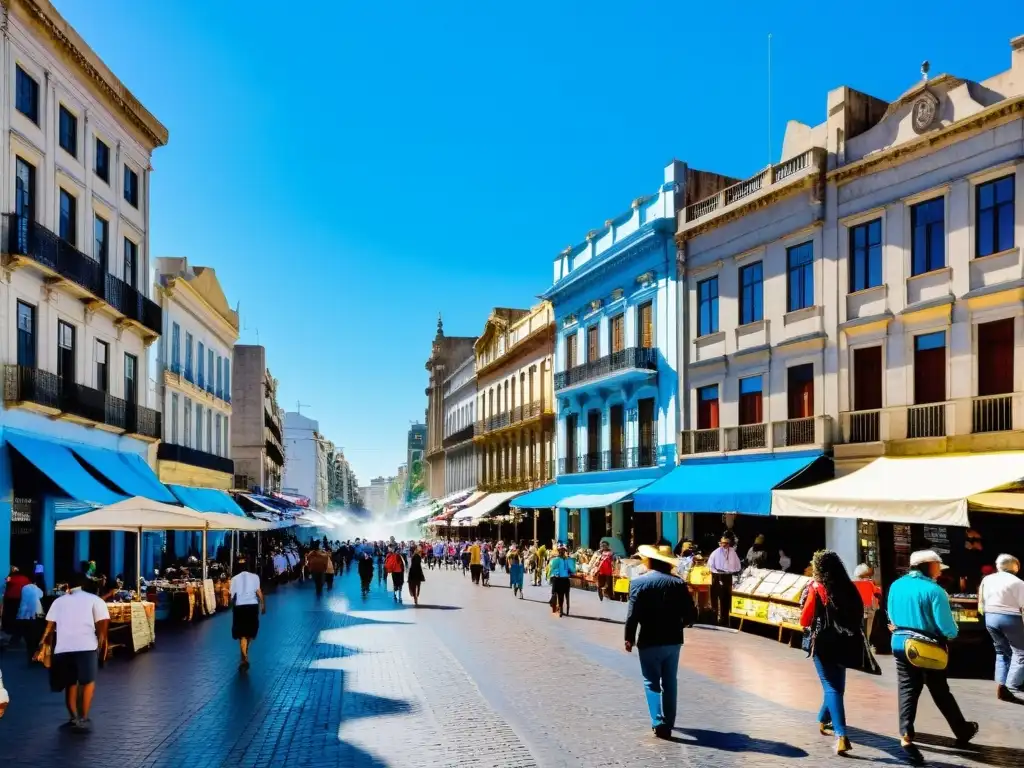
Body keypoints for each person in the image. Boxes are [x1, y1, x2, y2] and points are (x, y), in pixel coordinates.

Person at [888, 550, 978, 764]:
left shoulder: (895, 585)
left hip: (901, 644)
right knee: (939, 690)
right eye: (938, 566)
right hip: (928, 648)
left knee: (907, 687)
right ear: (928, 565)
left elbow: (890, 614)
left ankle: (906, 732)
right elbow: (947, 627)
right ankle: (961, 730)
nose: (939, 571)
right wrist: (952, 634)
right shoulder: (935, 591)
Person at [624, 544, 695, 739]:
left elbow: (632, 615)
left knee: (651, 681)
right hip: (673, 640)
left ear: (649, 561)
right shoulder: (678, 583)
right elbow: (691, 615)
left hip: (648, 639)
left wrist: (629, 637)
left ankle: (658, 721)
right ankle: (669, 722)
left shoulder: (638, 583)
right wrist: (680, 624)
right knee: (670, 681)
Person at [800, 550, 865, 756]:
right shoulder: (849, 588)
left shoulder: (816, 588)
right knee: (837, 686)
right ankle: (823, 719)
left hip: (824, 642)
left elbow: (805, 618)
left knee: (831, 687)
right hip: (845, 642)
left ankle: (841, 734)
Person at [35, 573, 109, 733]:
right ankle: (84, 716)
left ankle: (73, 716)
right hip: (87, 647)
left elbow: (49, 628)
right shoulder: (96, 600)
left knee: (70, 683)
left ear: (69, 586)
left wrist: (42, 645)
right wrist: (102, 647)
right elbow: (102, 628)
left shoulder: (59, 601)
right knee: (88, 682)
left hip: (63, 648)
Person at [979, 553, 1024, 702]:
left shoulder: (987, 579)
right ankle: (1012, 686)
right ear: (1014, 566)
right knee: (1021, 652)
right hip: (1010, 618)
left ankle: (1001, 684)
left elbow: (981, 600)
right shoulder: (1017, 582)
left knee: (1001, 651)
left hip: (990, 617)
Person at [229, 558, 265, 672]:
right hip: (253, 606)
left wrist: (232, 608)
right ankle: (244, 655)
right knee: (249, 632)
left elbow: (231, 596)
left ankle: (244, 657)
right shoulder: (255, 577)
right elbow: (259, 592)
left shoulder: (234, 579)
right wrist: (263, 605)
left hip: (240, 607)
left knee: (241, 633)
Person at [708, 536, 742, 627]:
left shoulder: (732, 552)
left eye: (726, 543)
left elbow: (737, 564)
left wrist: (734, 571)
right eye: (723, 543)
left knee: (727, 597)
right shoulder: (715, 552)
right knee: (719, 596)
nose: (724, 545)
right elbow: (710, 565)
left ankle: (726, 618)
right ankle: (718, 618)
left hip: (728, 576)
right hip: (718, 575)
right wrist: (718, 573)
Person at [16, 572, 46, 663]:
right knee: (36, 637)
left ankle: (30, 657)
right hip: (35, 615)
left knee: (28, 639)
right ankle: (36, 657)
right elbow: (42, 595)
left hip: (24, 615)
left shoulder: (24, 588)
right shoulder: (36, 588)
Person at [853, 564, 883, 647]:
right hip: (869, 609)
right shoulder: (869, 583)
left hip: (857, 608)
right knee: (868, 629)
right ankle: (866, 645)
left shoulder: (853, 583)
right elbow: (878, 593)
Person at [3, 565, 31, 644]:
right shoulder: (25, 578)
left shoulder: (11, 578)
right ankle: (19, 633)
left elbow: (6, 582)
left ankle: (13, 633)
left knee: (11, 616)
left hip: (11, 600)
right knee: (19, 618)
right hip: (22, 600)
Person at [548, 544, 575, 617]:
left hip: (565, 579)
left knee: (562, 594)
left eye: (563, 550)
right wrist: (553, 575)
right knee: (554, 593)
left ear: (565, 551)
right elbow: (552, 569)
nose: (562, 551)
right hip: (557, 579)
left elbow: (571, 569)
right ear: (558, 551)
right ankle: (555, 604)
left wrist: (571, 571)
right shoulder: (555, 560)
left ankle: (561, 608)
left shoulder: (567, 560)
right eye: (560, 550)